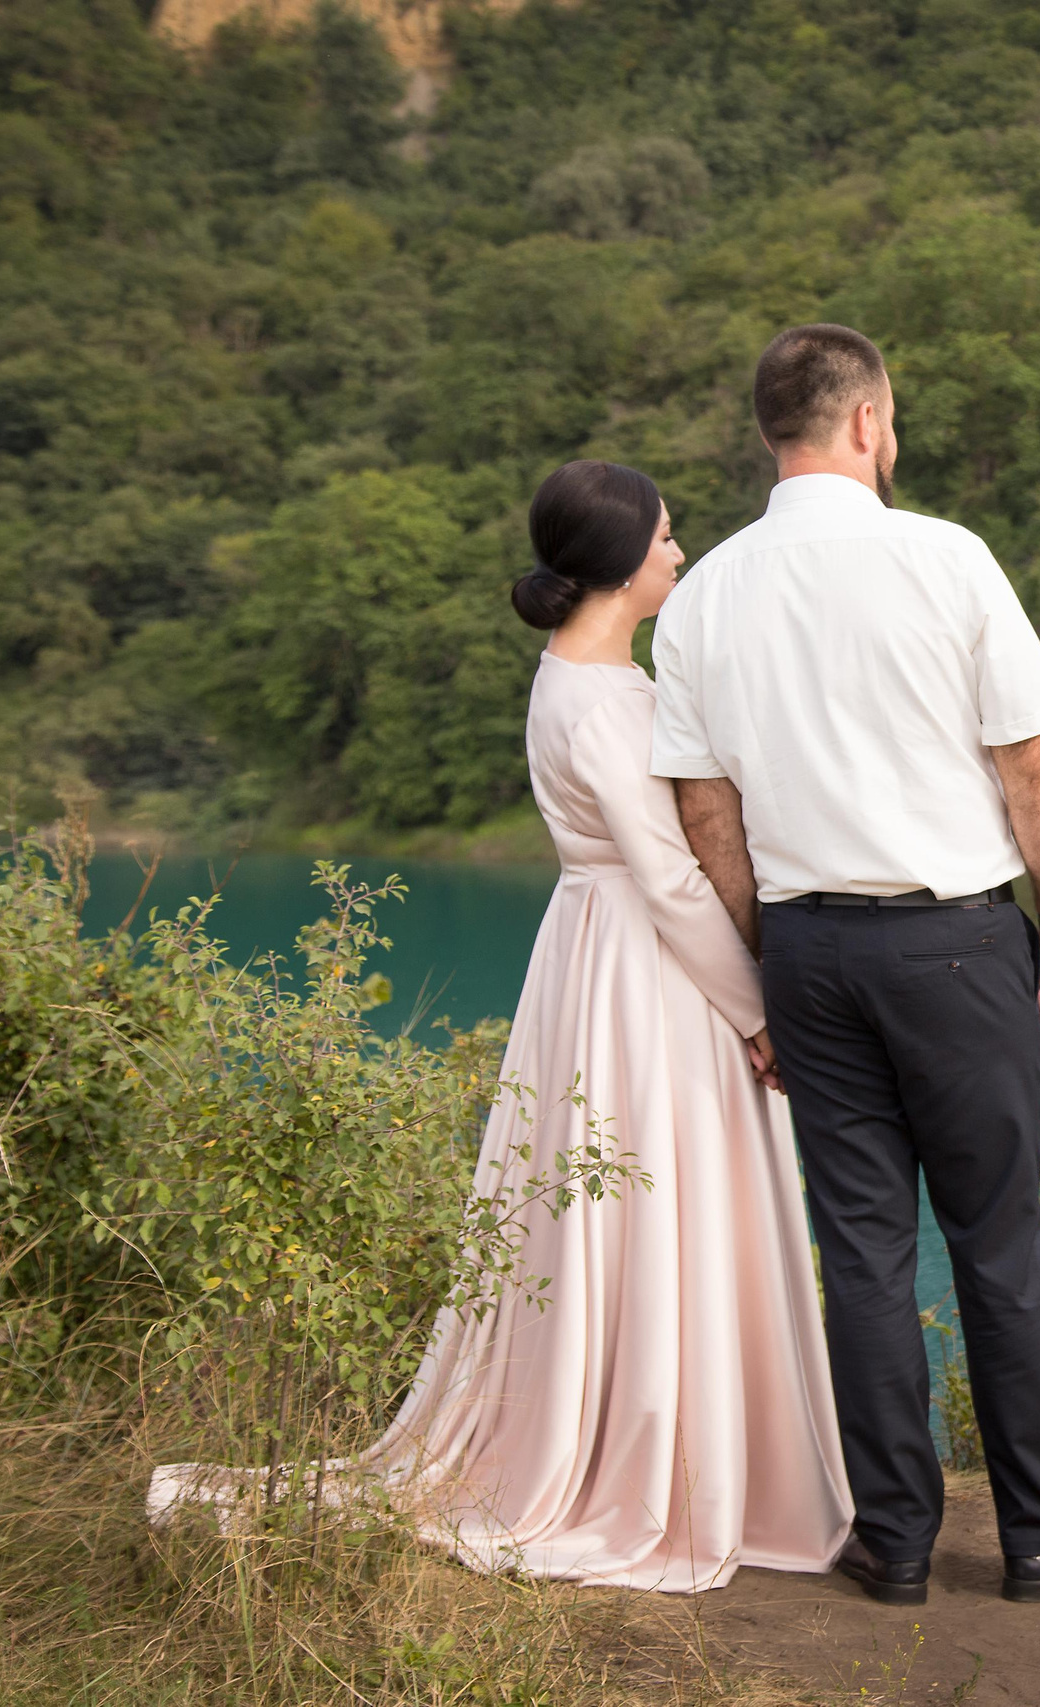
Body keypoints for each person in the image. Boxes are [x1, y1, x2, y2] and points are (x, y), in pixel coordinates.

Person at [168, 460, 854, 1590]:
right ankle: (666, 1466)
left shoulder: (569, 680)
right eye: (669, 539)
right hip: (646, 968)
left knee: (622, 1195)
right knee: (655, 1186)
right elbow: (676, 881)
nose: (680, 555)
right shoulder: (608, 701)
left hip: (591, 956)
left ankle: (667, 1438)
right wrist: (758, 1011)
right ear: (624, 561)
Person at [650, 324, 1040, 1605]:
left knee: (860, 1255)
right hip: (956, 945)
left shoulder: (703, 597)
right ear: (868, 423)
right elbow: (1032, 765)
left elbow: (707, 818)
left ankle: (897, 1544)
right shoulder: (946, 557)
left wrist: (773, 970)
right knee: (996, 1242)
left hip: (806, 949)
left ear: (772, 435)